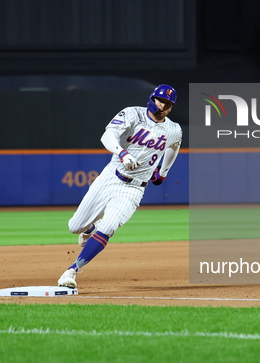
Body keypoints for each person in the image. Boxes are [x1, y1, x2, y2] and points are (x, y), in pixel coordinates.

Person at [57, 84, 182, 288]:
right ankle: (89, 229)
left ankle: (72, 271)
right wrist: (122, 153)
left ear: (171, 107)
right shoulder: (132, 114)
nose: (162, 105)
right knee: (74, 227)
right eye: (160, 100)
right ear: (152, 98)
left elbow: (174, 147)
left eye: (167, 103)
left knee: (108, 227)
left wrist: (164, 171)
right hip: (110, 177)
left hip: (134, 189)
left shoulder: (173, 129)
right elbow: (107, 136)